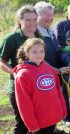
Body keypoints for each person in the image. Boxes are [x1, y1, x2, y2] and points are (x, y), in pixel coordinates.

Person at [0, 5, 42, 133]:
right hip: (19, 89)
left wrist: (55, 70)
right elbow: (1, 62)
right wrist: (16, 73)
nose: (32, 23)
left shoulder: (39, 36)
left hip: (37, 87)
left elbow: (42, 59)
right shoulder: (12, 38)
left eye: (35, 19)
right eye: (28, 20)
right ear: (20, 21)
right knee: (23, 124)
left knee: (37, 122)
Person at [13, 38, 67, 134]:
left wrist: (62, 110)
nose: (39, 54)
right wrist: (32, 124)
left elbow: (58, 91)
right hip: (39, 123)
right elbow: (24, 103)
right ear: (27, 53)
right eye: (34, 52)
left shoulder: (48, 69)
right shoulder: (23, 75)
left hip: (52, 118)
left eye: (42, 51)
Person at [34, 1, 61, 68]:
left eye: (51, 15)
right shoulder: (34, 34)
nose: (49, 18)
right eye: (46, 14)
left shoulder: (51, 31)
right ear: (37, 15)